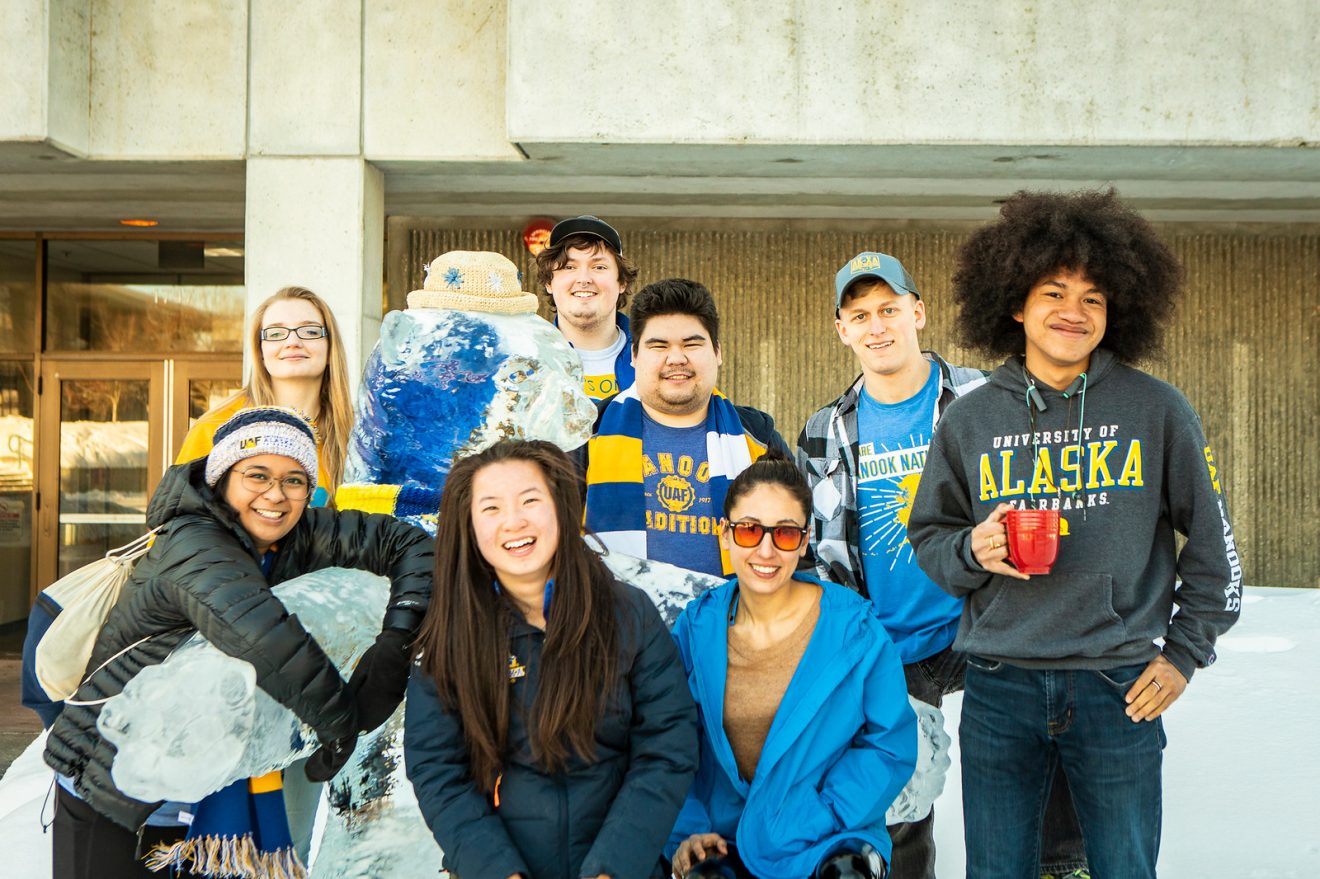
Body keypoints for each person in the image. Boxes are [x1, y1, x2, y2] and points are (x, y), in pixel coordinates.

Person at [908, 189, 1242, 879]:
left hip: (1117, 682)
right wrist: (974, 548)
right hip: (1000, 684)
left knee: (1123, 868)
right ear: (1015, 305)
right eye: (1054, 292)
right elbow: (930, 540)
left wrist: (1183, 654)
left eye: (1094, 297)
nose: (1074, 311)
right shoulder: (969, 420)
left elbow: (1216, 551)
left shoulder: (1157, 410)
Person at [41, 407, 433, 879]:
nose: (276, 494)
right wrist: (343, 723)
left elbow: (412, 544)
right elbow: (263, 637)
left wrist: (395, 640)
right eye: (257, 475)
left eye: (295, 480)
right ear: (221, 477)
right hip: (113, 774)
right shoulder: (193, 541)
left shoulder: (299, 533)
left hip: (201, 776)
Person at [796, 252, 1088, 879]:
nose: (878, 327)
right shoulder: (824, 430)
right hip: (892, 641)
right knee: (902, 803)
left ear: (917, 313)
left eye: (890, 310)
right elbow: (823, 552)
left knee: (1028, 776)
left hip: (990, 622)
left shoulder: (987, 396)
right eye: (860, 315)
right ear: (841, 329)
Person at [404, 439, 698, 879]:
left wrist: (613, 868)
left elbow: (667, 745)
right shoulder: (450, 634)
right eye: (491, 509)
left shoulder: (628, 613)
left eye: (529, 500)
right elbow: (436, 769)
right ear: (468, 525)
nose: (514, 522)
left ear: (560, 507)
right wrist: (498, 871)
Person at [668, 454, 916, 879]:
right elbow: (665, 738)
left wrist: (823, 814)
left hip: (827, 836)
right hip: (721, 836)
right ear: (724, 534)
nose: (765, 551)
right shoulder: (696, 629)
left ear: (803, 542)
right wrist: (688, 829)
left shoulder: (855, 630)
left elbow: (890, 743)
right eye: (748, 530)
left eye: (784, 534)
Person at [578, 278, 791, 577]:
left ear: (717, 352)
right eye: (659, 345)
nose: (676, 358)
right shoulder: (588, 433)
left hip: (732, 620)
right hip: (616, 618)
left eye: (692, 344)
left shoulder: (757, 436)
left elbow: (796, 539)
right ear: (635, 356)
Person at [177, 286, 354, 504]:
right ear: (260, 352)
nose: (292, 342)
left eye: (310, 331)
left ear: (330, 349)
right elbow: (176, 529)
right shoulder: (215, 429)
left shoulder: (356, 437)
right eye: (276, 334)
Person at [535, 215, 639, 400]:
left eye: (599, 267)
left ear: (622, 282)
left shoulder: (655, 357)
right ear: (549, 282)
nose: (584, 279)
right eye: (569, 267)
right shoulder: (527, 361)